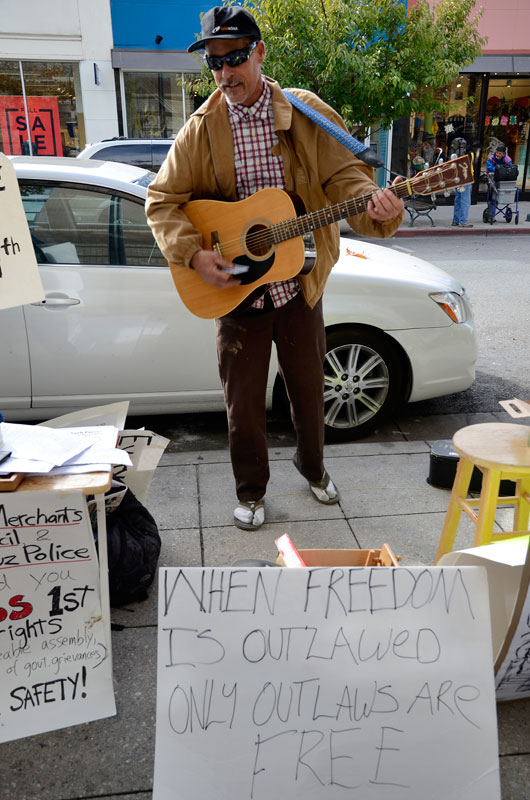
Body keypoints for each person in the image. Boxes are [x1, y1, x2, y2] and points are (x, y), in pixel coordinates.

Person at [145, 5, 404, 531]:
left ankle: (313, 468)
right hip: (237, 294)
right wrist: (195, 252)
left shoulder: (305, 112)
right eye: (215, 64)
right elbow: (161, 201)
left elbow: (347, 179)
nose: (225, 74)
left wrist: (377, 207)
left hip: (299, 285)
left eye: (235, 58)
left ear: (260, 52)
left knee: (309, 393)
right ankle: (251, 492)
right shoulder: (202, 130)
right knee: (242, 408)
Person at [450, 137, 473, 228]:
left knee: (458, 199)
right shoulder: (470, 153)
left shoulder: (456, 153)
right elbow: (470, 166)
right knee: (465, 200)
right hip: (466, 177)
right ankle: (463, 221)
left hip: (458, 177)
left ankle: (456, 220)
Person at [485, 144, 513, 218]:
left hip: (503, 180)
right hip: (492, 178)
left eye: (500, 153)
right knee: (493, 197)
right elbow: (489, 168)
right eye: (497, 152)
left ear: (503, 154)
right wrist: (500, 169)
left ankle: (494, 212)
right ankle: (491, 214)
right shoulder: (491, 158)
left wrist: (499, 170)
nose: (497, 154)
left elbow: (509, 170)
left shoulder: (508, 160)